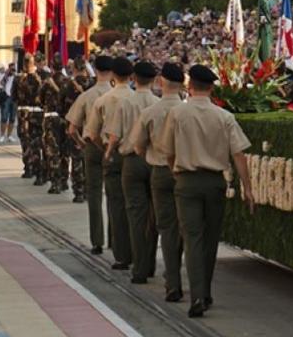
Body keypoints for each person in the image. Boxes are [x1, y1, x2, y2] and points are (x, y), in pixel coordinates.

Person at [165, 64, 255, 318]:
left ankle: (197, 296)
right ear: (212, 88)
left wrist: (176, 172)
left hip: (186, 181)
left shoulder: (177, 114)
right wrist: (247, 187)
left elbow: (168, 151)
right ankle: (204, 291)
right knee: (210, 239)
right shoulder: (224, 116)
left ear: (189, 87)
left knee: (192, 237)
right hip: (215, 182)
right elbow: (239, 154)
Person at [132, 62, 186, 301]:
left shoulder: (150, 111)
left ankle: (172, 281)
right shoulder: (188, 110)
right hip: (185, 172)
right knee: (187, 227)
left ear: (161, 82)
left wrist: (153, 159)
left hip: (161, 172)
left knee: (166, 228)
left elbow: (138, 146)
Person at [109, 60, 159, 284]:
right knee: (154, 215)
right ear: (155, 80)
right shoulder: (158, 103)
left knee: (136, 215)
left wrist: (109, 152)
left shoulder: (125, 102)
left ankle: (139, 269)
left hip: (132, 161)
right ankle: (150, 263)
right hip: (155, 161)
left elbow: (115, 134)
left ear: (134, 79)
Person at [87, 56, 134, 269]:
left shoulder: (102, 100)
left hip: (113, 155)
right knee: (137, 207)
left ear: (114, 76)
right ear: (131, 76)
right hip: (135, 156)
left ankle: (121, 254)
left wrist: (105, 150)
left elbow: (92, 133)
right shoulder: (143, 100)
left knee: (116, 205)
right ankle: (140, 256)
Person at [66, 55, 114, 251]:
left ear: (94, 69)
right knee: (114, 195)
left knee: (94, 194)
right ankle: (115, 239)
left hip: (91, 148)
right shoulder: (120, 96)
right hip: (112, 148)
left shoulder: (86, 95)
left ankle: (97, 241)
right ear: (112, 72)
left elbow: (71, 128)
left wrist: (81, 143)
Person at [61, 59, 92, 203]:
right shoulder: (93, 84)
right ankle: (89, 189)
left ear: (73, 69)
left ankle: (79, 191)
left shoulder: (67, 84)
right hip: (91, 126)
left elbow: (60, 106)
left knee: (76, 158)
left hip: (74, 124)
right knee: (90, 159)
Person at [13, 56, 46, 184]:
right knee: (37, 143)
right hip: (37, 114)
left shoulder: (18, 79)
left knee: (25, 142)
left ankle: (28, 168)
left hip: (23, 113)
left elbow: (14, 97)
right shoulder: (41, 78)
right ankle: (40, 171)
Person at [39, 65, 68, 195]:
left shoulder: (47, 83)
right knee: (64, 151)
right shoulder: (68, 82)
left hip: (50, 119)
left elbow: (40, 100)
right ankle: (64, 181)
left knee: (52, 152)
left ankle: (55, 183)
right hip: (65, 120)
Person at [0, 65, 17, 143]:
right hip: (6, 98)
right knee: (4, 118)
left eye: (13, 69)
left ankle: (9, 135)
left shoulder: (16, 77)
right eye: (11, 69)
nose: (12, 70)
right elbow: (1, 83)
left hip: (14, 99)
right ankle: (2, 136)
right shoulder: (5, 76)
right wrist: (6, 75)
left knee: (12, 118)